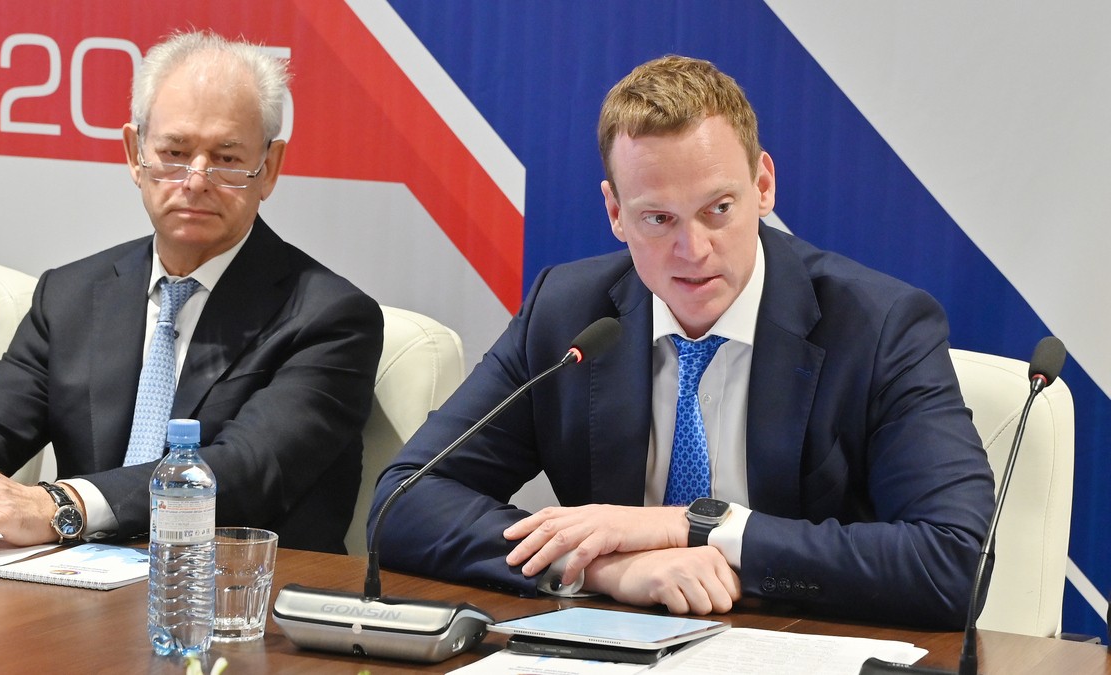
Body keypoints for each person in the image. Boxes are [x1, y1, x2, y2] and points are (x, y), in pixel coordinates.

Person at [370, 55, 994, 628]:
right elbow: (405, 501)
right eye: (658, 219)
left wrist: (693, 527)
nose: (693, 251)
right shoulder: (566, 315)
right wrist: (606, 568)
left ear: (763, 186)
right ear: (615, 213)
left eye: (718, 209)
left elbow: (955, 563)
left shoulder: (880, 326)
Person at [0, 30, 382, 553]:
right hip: (72, 589)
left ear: (268, 169)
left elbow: (247, 470)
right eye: (174, 152)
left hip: (233, 588)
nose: (196, 180)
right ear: (136, 155)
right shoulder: (71, 295)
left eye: (226, 158)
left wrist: (63, 504)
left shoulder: (330, 317)